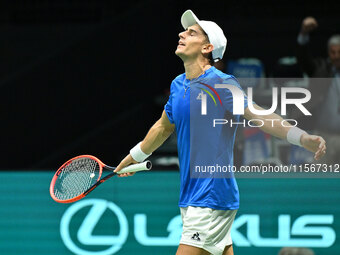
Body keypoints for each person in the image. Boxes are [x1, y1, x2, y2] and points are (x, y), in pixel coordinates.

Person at [114, 10, 326, 255]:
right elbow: (162, 127)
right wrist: (135, 156)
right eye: (184, 31)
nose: (182, 33)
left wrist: (301, 137)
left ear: (207, 47)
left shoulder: (222, 83)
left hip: (210, 196)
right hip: (193, 196)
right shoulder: (178, 85)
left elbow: (258, 115)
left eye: (191, 32)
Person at [295, 16, 340, 164]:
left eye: (339, 52)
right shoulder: (321, 70)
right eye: (333, 52)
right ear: (328, 53)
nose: (336, 56)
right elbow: (303, 59)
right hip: (324, 136)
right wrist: (303, 34)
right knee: (322, 181)